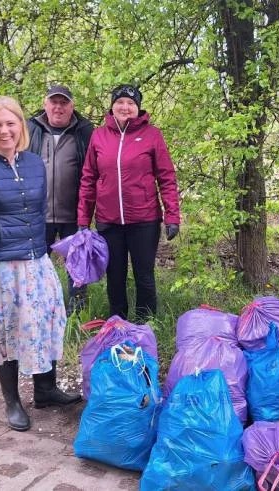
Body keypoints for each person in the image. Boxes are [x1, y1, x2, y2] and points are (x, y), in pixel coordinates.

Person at [0, 96, 81, 432]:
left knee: (46, 320)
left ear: (21, 126)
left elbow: (39, 215)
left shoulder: (34, 163)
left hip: (35, 262)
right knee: (5, 332)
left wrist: (57, 249)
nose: (4, 130)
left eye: (10, 123)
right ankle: (12, 401)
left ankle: (46, 389)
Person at [77, 84, 181, 321]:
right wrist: (83, 219)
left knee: (144, 275)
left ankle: (146, 324)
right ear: (112, 106)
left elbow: (167, 177)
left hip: (144, 220)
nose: (125, 107)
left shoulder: (153, 136)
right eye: (120, 102)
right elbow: (88, 178)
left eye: (131, 103)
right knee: (115, 275)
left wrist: (172, 216)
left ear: (138, 108)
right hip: (108, 220)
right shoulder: (99, 136)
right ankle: (118, 323)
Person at [27, 85, 93, 314]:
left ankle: (77, 313)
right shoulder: (31, 129)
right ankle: (40, 311)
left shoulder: (84, 131)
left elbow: (93, 171)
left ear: (72, 107)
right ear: (45, 104)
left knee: (77, 269)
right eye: (53, 102)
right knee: (35, 267)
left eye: (63, 103)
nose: (58, 107)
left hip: (74, 214)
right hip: (37, 215)